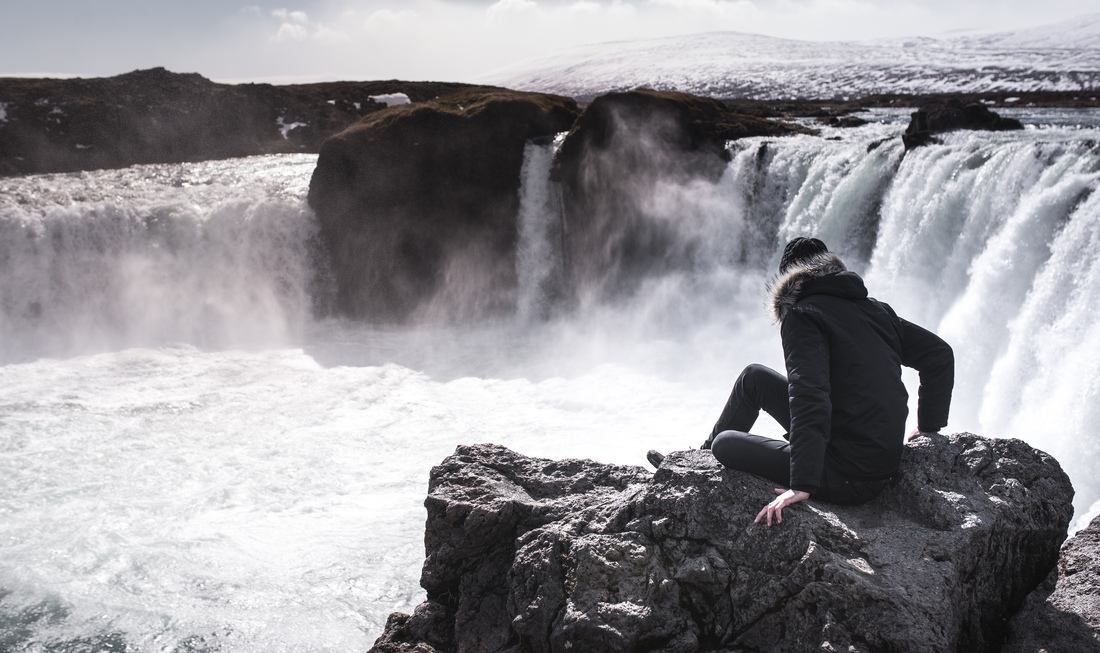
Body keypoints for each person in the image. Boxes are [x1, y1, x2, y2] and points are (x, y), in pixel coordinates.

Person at [648, 237, 954, 527]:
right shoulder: (877, 311)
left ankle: (704, 458)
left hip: (848, 474)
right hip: (878, 460)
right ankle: (695, 461)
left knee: (724, 444)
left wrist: (802, 483)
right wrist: (929, 424)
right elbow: (939, 355)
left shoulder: (802, 315)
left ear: (790, 281)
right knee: (753, 378)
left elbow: (810, 393)